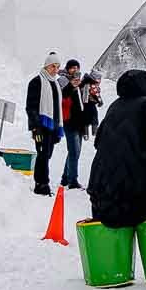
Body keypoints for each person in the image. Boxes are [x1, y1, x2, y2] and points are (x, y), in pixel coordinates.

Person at [88, 68, 146, 231]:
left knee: (113, 219)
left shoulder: (114, 106)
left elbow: (98, 140)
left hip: (102, 178)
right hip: (135, 176)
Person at [25, 51, 66, 196]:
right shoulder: (37, 82)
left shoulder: (55, 84)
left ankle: (43, 182)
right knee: (42, 154)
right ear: (46, 66)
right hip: (41, 126)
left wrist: (58, 128)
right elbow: (31, 107)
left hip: (53, 126)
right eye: (53, 66)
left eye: (57, 67)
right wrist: (36, 128)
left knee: (47, 155)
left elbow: (57, 107)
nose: (55, 70)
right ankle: (41, 184)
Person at [59, 60, 90, 191]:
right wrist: (72, 86)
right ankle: (73, 181)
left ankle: (65, 178)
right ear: (67, 69)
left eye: (77, 68)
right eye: (72, 68)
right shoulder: (63, 80)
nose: (74, 70)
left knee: (75, 152)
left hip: (80, 122)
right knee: (74, 151)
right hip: (69, 122)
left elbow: (84, 102)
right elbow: (62, 95)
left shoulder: (80, 82)